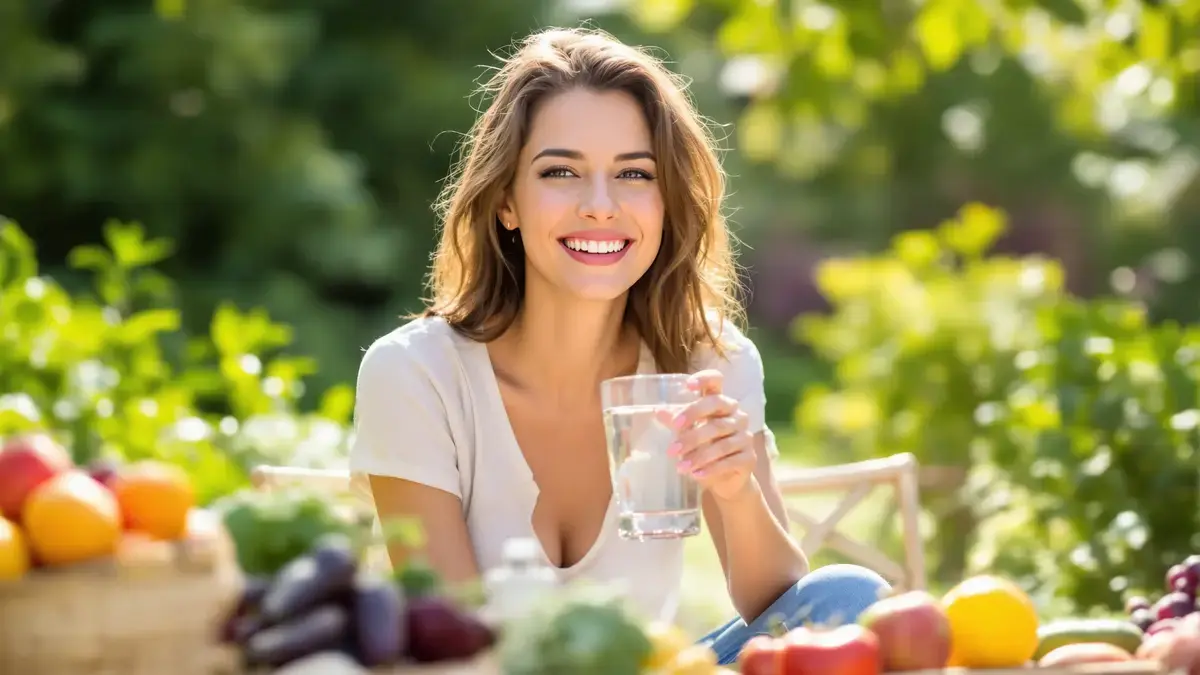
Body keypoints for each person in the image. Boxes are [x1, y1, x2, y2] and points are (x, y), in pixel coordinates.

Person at [349, 26, 889, 665]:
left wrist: (735, 487)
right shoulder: (416, 374)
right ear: (506, 202)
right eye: (561, 172)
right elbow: (447, 635)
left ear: (666, 203)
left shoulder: (710, 362)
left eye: (634, 174)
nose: (600, 206)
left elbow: (776, 609)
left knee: (847, 596)